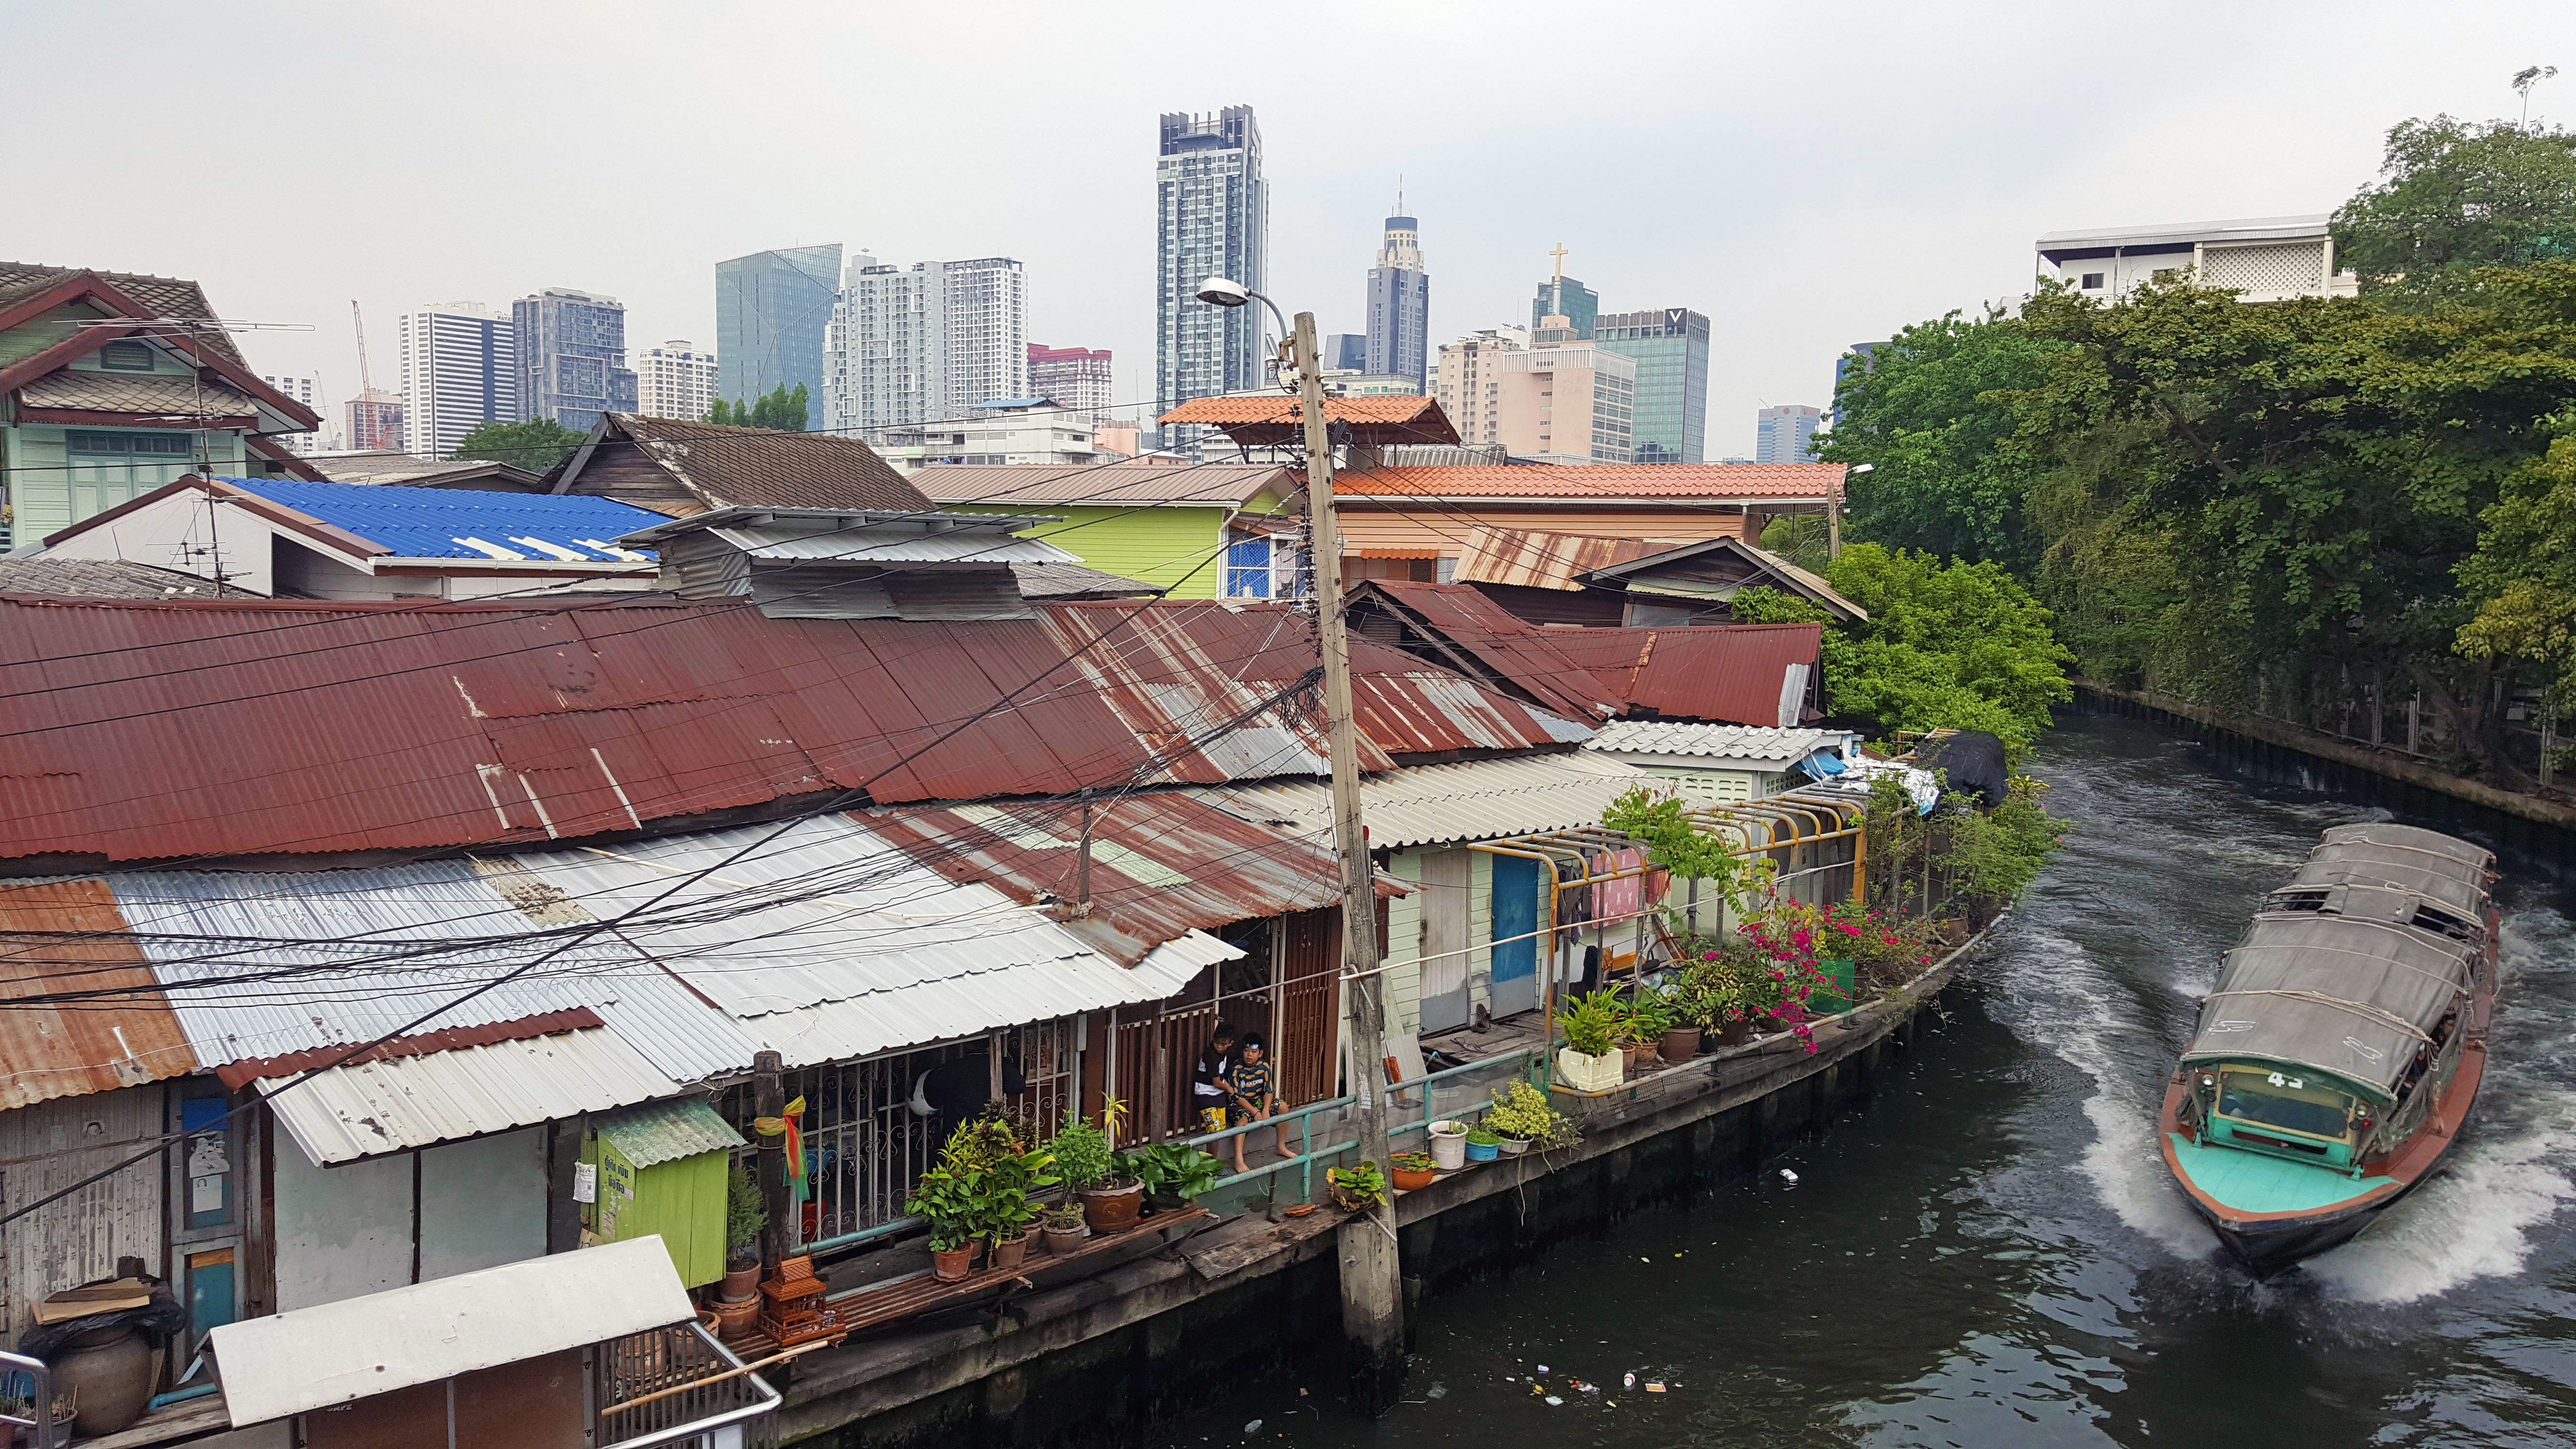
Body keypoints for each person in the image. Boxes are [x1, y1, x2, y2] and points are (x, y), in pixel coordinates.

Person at [1224, 1032, 1285, 1175]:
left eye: (1254, 1052)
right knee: (1242, 1121)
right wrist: (1255, 1112)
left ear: (1261, 1053)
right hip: (1239, 1104)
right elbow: (1237, 1096)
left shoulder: (1264, 1066)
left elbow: (1269, 1091)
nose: (1249, 1055)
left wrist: (1265, 1110)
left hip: (1258, 1101)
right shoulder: (1236, 1069)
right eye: (1246, 1051)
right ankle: (1238, 1158)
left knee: (1283, 1107)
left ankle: (1281, 1146)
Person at [1192, 1022, 1238, 1139]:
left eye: (1223, 1044)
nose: (1218, 1046)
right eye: (1216, 1043)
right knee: (1215, 1131)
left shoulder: (1226, 1054)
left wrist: (1229, 1087)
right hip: (1205, 1095)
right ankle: (1212, 1158)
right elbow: (1217, 1082)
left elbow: (1222, 1077)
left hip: (1219, 1096)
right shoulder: (1210, 1055)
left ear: (1230, 1044)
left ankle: (1214, 1157)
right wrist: (1228, 1088)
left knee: (1220, 1131)